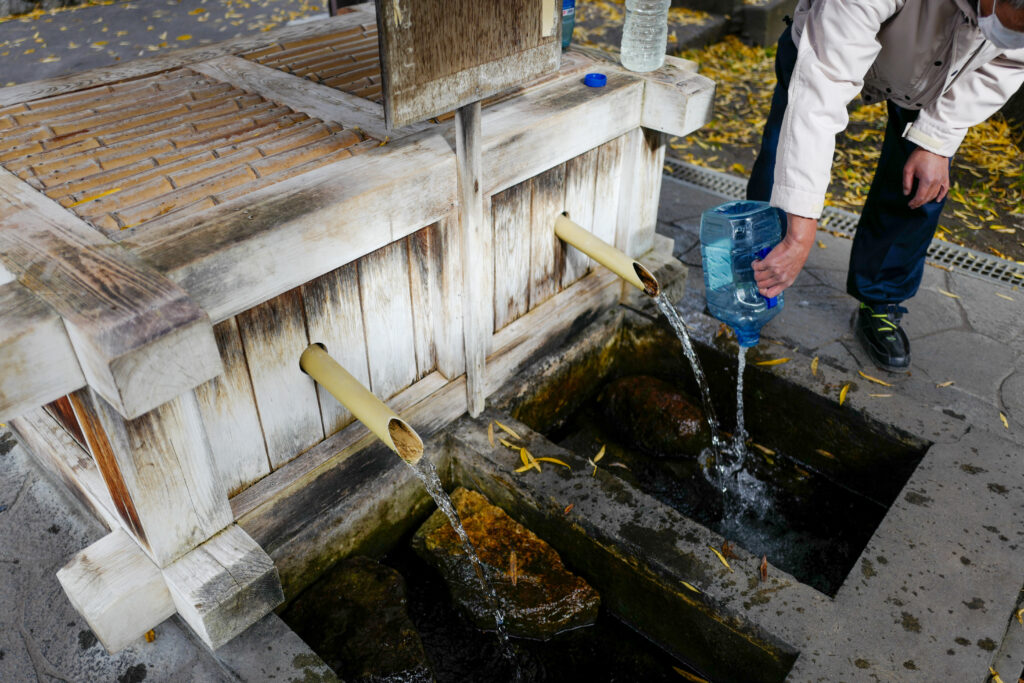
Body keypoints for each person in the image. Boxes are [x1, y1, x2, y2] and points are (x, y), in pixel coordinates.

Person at [747, 0, 1024, 371]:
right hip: (832, 45)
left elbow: (1007, 65)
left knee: (922, 184)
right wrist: (800, 229)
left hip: (942, 78)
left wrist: (937, 137)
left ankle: (881, 298)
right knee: (785, 156)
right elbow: (820, 93)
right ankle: (756, 274)